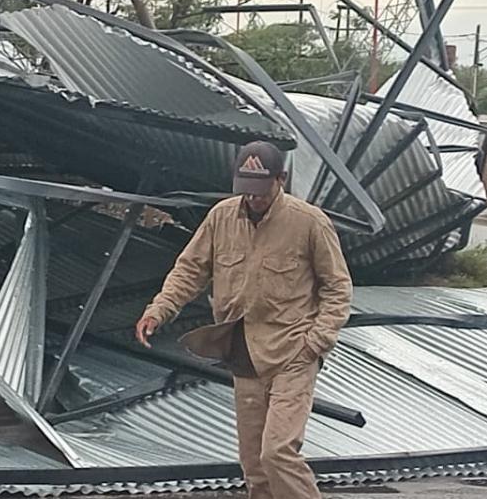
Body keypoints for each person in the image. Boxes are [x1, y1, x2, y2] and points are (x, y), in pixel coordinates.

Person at [135, 140, 352, 499]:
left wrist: (316, 342)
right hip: (243, 351)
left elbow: (338, 288)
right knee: (254, 464)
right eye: (246, 190)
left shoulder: (309, 222)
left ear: (281, 179)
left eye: (261, 190)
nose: (253, 198)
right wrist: (159, 310)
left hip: (293, 353)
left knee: (278, 453)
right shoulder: (221, 218)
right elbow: (190, 270)